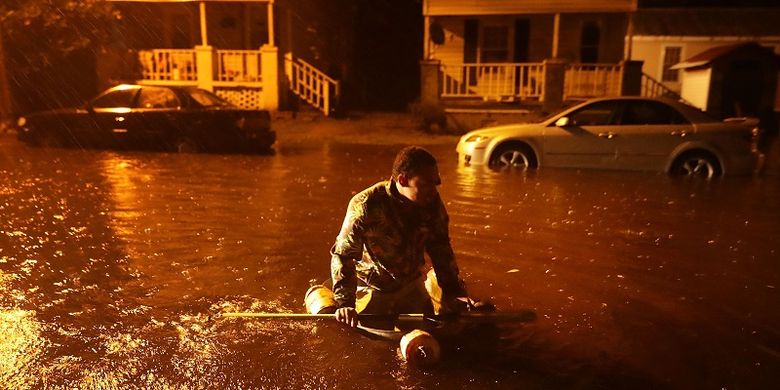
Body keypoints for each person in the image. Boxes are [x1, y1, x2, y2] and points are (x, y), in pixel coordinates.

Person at [330, 146, 473, 327]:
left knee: (437, 329)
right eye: (425, 184)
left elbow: (441, 249)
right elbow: (343, 255)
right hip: (374, 288)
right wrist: (345, 304)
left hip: (411, 285)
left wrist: (454, 292)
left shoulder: (431, 203)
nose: (433, 190)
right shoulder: (366, 205)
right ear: (403, 180)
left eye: (435, 182)